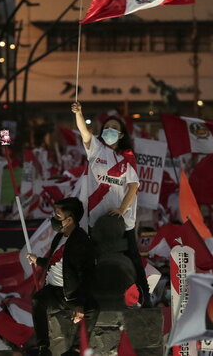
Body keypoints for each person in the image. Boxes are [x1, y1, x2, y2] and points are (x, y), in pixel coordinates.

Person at [71, 102, 151, 307]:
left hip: (121, 222)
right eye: (107, 128)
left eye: (115, 129)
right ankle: (90, 302)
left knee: (133, 258)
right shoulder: (96, 149)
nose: (110, 131)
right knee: (92, 260)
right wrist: (79, 113)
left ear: (122, 135)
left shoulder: (127, 159)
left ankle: (145, 298)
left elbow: (133, 186)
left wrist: (122, 210)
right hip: (96, 219)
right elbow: (83, 132)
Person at [27, 198, 95, 356]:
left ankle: (76, 348)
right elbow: (55, 262)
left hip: (69, 295)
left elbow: (86, 274)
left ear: (69, 219)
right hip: (52, 290)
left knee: (90, 312)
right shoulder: (59, 237)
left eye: (57, 215)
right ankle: (44, 347)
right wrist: (37, 260)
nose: (53, 219)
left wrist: (79, 304)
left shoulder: (81, 242)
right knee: (37, 300)